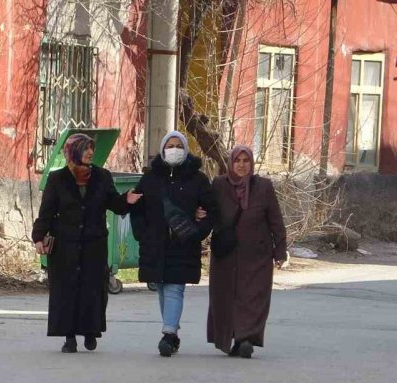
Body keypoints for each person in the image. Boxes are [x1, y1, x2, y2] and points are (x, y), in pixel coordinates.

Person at [31, 133, 143, 353]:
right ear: (73, 152)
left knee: (93, 290)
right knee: (66, 291)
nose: (91, 152)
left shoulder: (102, 177)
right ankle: (69, 337)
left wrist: (126, 200)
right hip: (65, 246)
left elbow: (114, 204)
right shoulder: (57, 179)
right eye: (85, 148)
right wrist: (38, 237)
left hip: (94, 245)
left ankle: (91, 332)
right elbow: (46, 213)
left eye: (91, 148)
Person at [130, 131, 223, 357]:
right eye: (169, 145)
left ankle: (168, 333)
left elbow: (211, 210)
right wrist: (142, 233)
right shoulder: (151, 178)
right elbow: (137, 207)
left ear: (185, 149)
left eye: (178, 145)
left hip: (183, 243)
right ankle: (172, 332)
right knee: (162, 287)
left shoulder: (198, 179)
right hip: (155, 243)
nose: (174, 149)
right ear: (162, 150)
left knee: (174, 288)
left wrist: (197, 232)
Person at [207, 145, 287, 358]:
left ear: (251, 163)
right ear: (231, 163)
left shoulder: (264, 187)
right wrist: (198, 215)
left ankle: (246, 338)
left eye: (246, 161)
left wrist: (280, 250)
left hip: (256, 254)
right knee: (225, 296)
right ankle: (231, 337)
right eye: (237, 161)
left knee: (253, 296)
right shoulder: (219, 185)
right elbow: (208, 212)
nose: (241, 165)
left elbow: (276, 221)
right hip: (226, 253)